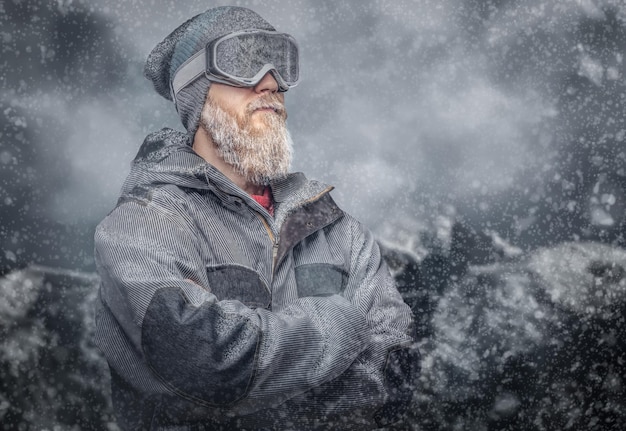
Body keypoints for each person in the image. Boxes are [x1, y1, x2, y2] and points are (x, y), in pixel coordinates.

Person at [94, 6, 419, 430]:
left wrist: (263, 386)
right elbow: (207, 362)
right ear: (197, 92)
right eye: (243, 63)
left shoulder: (342, 233)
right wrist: (344, 322)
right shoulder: (143, 226)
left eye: (280, 64)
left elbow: (395, 376)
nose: (270, 82)